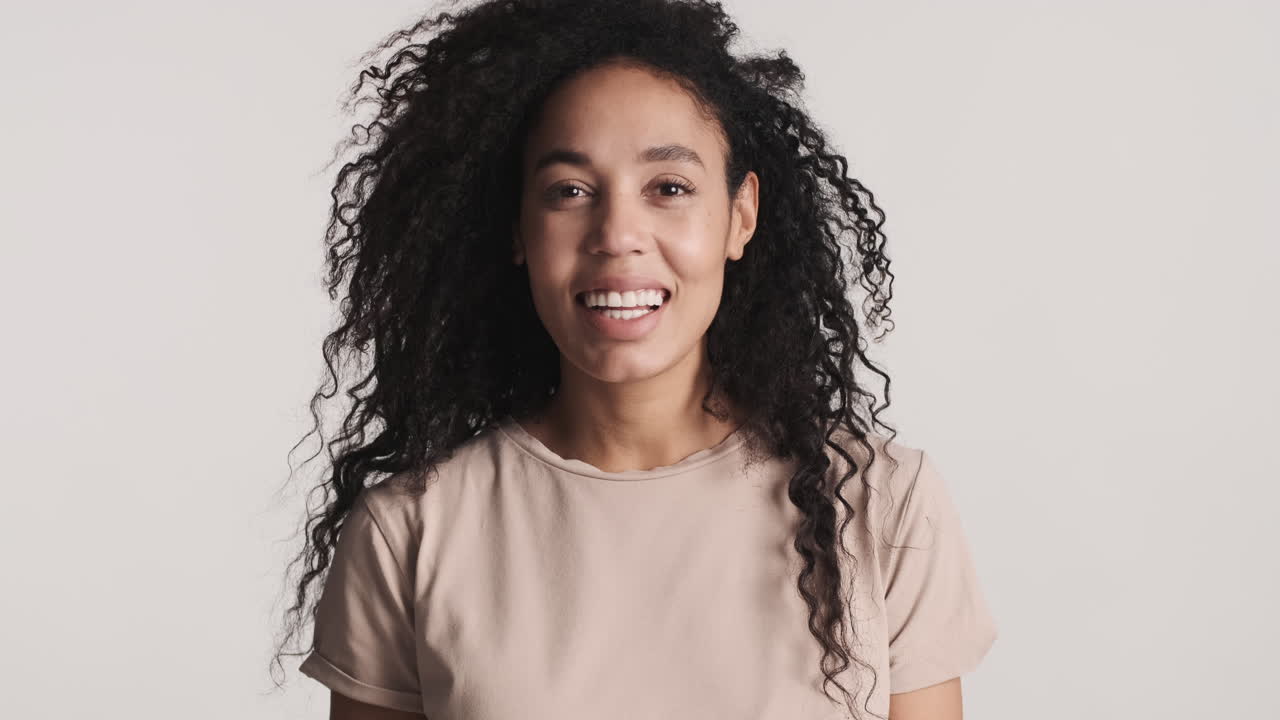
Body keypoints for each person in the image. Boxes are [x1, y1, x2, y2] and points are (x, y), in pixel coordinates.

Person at [270, 1, 998, 718]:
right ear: (518, 228)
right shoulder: (411, 531)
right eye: (570, 192)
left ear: (740, 216)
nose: (617, 234)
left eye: (670, 188)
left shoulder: (879, 509)